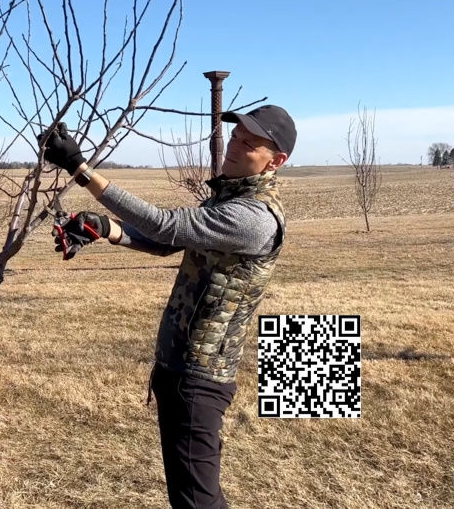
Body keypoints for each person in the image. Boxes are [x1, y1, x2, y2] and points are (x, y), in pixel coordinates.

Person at [38, 105, 297, 509]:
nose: (234, 145)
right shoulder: (227, 200)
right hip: (182, 370)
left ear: (275, 162)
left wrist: (80, 169)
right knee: (194, 494)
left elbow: (167, 225)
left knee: (197, 501)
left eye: (249, 143)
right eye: (235, 135)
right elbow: (165, 243)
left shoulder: (254, 217)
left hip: (198, 376)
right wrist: (106, 229)